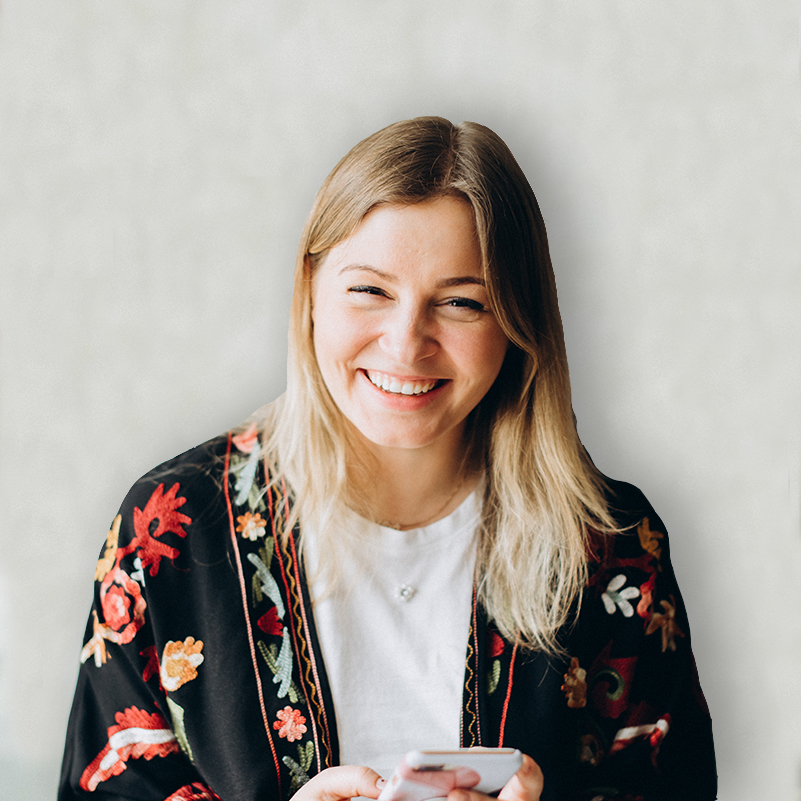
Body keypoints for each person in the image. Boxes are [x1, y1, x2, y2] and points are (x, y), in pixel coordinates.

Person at [59, 117, 717, 801]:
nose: (406, 344)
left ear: (518, 323)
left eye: (461, 302)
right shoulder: (170, 529)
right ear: (309, 290)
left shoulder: (610, 547)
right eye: (369, 290)